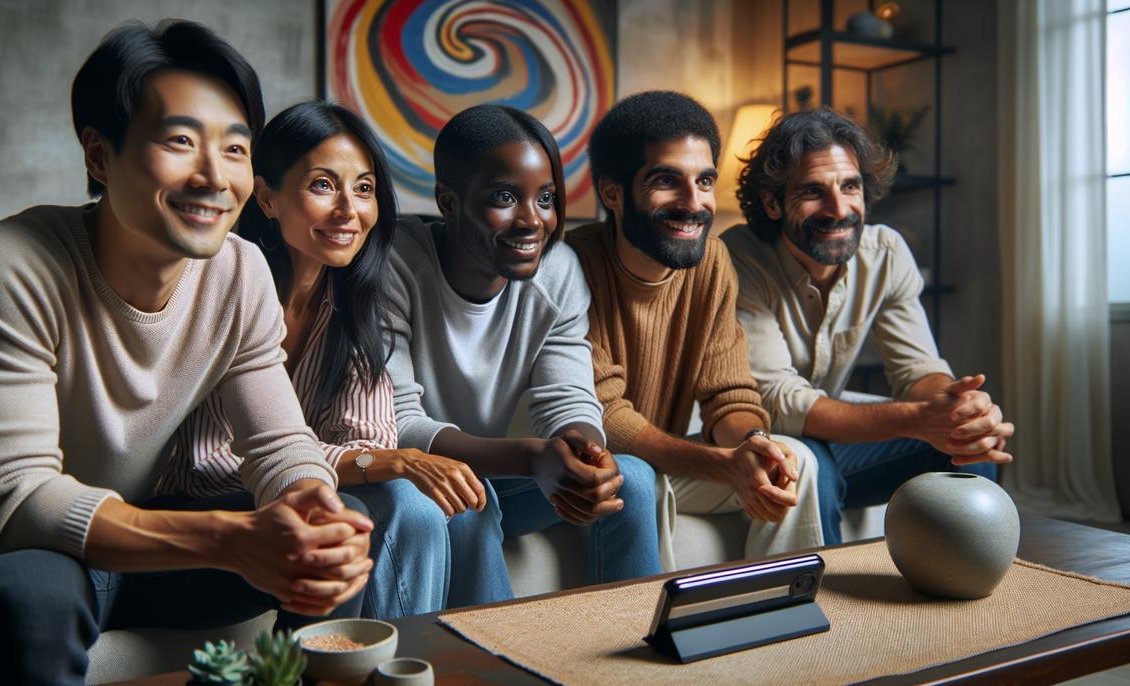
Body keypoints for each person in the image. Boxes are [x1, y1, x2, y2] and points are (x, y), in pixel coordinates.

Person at [0, 21, 372, 684]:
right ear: (99, 156)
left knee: (332, 535)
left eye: (233, 148)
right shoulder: (10, 260)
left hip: (138, 548)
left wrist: (312, 505)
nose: (213, 176)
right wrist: (228, 540)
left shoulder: (240, 271)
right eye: (181, 141)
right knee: (39, 594)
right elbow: (14, 497)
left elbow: (280, 444)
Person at [159, 100, 495, 619]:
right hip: (197, 502)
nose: (349, 210)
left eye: (364, 189)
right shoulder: (222, 284)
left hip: (299, 486)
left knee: (443, 503)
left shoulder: (354, 301)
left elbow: (367, 437)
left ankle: (464, 665)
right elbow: (215, 458)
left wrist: (390, 461)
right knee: (387, 500)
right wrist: (387, 461)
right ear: (267, 197)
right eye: (323, 185)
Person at [386, 104, 661, 596]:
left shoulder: (558, 269)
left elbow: (569, 396)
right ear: (448, 202)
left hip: (510, 476)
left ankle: (631, 665)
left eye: (547, 198)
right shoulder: (395, 264)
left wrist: (583, 451)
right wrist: (533, 457)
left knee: (633, 479)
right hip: (419, 480)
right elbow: (397, 420)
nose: (533, 221)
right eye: (506, 197)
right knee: (468, 495)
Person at [724, 107, 1015, 545]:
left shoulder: (885, 252)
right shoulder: (738, 259)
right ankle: (832, 608)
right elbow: (780, 402)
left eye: (850, 186)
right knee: (805, 462)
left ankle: (965, 586)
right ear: (772, 202)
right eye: (812, 192)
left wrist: (955, 408)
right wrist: (915, 418)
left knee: (964, 444)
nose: (838, 209)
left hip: (831, 440)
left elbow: (917, 369)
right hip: (759, 440)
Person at [567, 91, 823, 570]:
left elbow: (728, 392)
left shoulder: (711, 261)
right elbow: (605, 418)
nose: (694, 203)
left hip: (662, 462)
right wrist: (720, 465)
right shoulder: (571, 266)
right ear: (612, 192)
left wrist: (750, 445)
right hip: (603, 466)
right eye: (667, 181)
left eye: (704, 181)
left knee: (793, 461)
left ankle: (775, 613)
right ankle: (660, 630)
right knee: (637, 475)